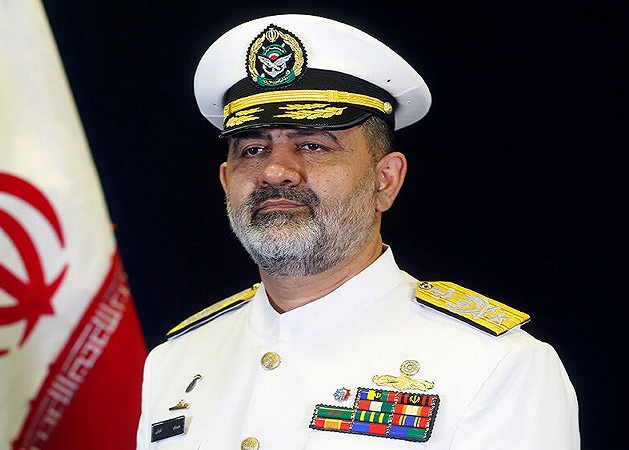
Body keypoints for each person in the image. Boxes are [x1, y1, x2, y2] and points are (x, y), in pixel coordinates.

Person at [136, 14, 579, 449]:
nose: (274, 171)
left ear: (384, 181)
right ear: (225, 181)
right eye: (253, 149)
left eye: (313, 145)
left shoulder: (496, 366)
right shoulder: (176, 362)